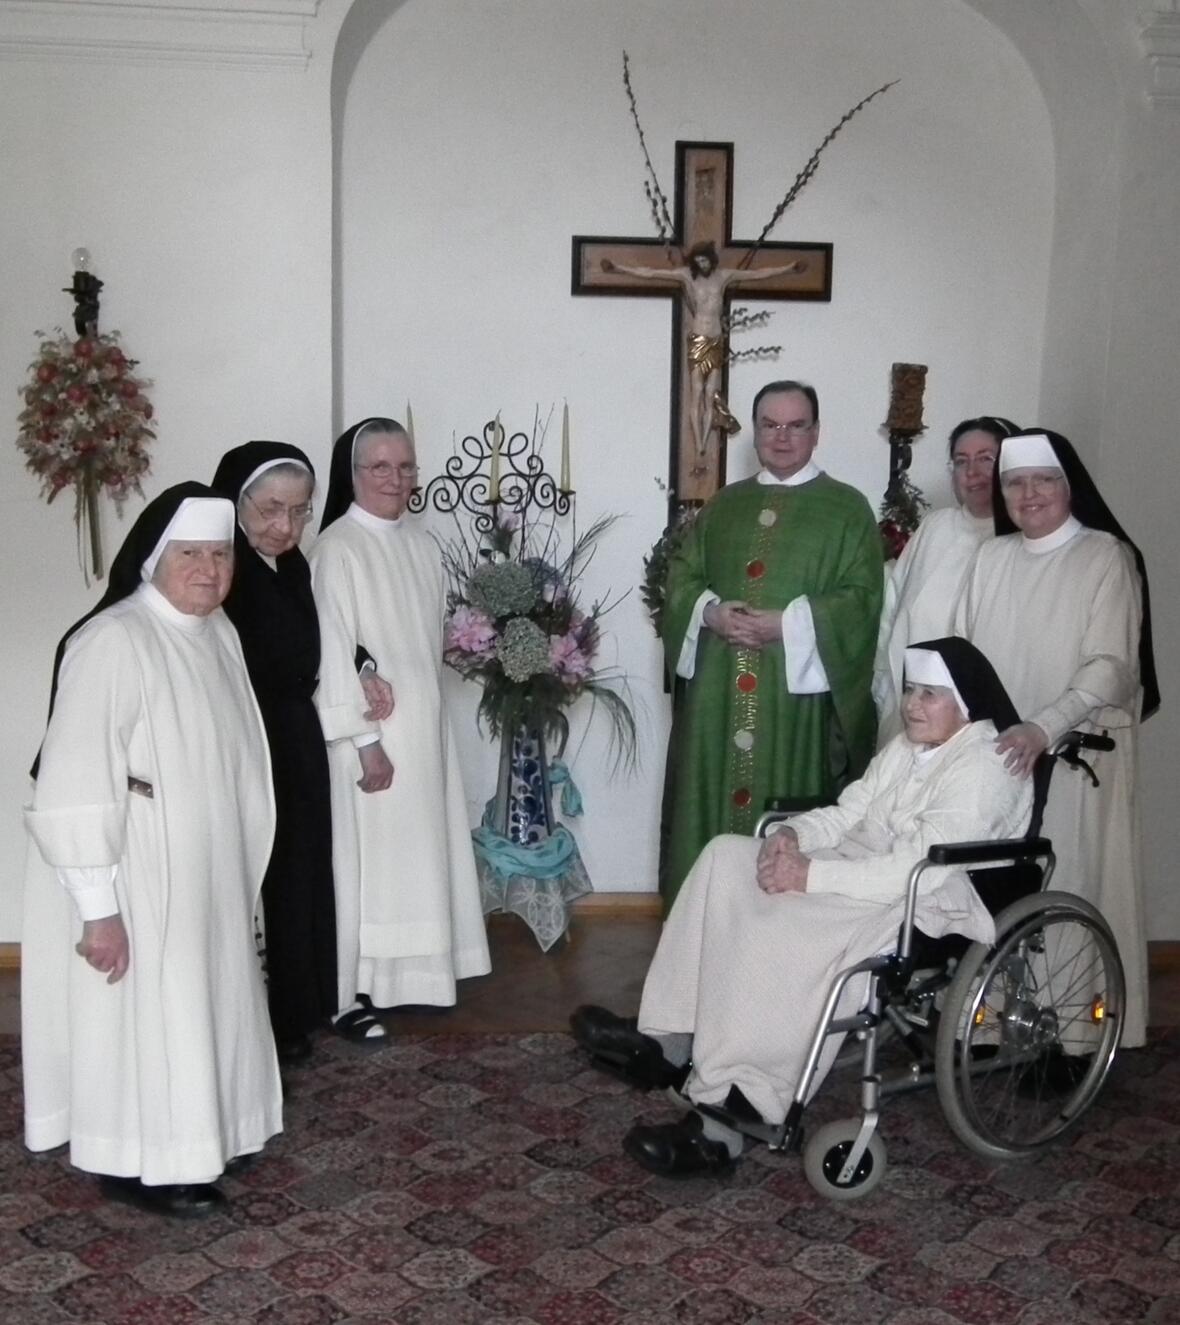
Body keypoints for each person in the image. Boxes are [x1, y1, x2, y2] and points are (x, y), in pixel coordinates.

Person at [572, 638, 1032, 1176]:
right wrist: (791, 837)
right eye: (910, 690)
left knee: (782, 927)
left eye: (930, 694)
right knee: (725, 857)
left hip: (921, 895)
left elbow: (915, 868)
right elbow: (845, 813)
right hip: (857, 869)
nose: (911, 704)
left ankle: (732, 1114)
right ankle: (667, 1040)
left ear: (965, 704)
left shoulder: (984, 764)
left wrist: (810, 876)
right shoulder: (908, 749)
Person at [22, 483, 283, 1217]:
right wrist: (98, 907)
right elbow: (73, 782)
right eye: (190, 554)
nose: (208, 570)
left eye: (220, 554)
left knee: (209, 1002)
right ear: (154, 559)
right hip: (137, 874)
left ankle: (210, 1126)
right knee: (145, 1018)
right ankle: (138, 1160)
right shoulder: (112, 639)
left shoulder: (220, 633)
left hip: (209, 874)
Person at [956, 429, 1159, 1047]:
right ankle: (989, 1030)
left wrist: (1046, 725)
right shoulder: (990, 559)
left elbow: (1111, 664)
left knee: (1066, 883)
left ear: (1070, 487)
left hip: (1070, 753)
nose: (1028, 494)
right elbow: (962, 651)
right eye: (1015, 483)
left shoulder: (1105, 557)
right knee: (991, 885)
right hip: (998, 756)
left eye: (1043, 480)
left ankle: (1071, 1037)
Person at [659, 380, 882, 907]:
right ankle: (700, 923)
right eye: (770, 425)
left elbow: (862, 599)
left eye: (795, 425)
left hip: (793, 698)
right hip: (717, 693)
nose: (782, 437)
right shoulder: (724, 505)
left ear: (816, 432)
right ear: (755, 433)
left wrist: (790, 624)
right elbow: (681, 580)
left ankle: (779, 936)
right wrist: (709, 613)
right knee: (709, 810)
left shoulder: (847, 509)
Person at [211, 442, 394, 1057]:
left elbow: (325, 635)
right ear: (236, 505)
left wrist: (362, 664)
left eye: (299, 512)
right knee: (265, 877)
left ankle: (305, 1003)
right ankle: (269, 1026)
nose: (284, 527)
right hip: (249, 735)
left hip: (298, 735)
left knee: (304, 871)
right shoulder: (221, 571)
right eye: (269, 510)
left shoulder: (292, 566)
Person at [309, 417, 491, 1017]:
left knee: (424, 852)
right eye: (381, 467)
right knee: (382, 862)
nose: (396, 479)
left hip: (425, 727)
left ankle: (424, 975)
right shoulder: (337, 546)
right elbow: (332, 650)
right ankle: (373, 981)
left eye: (406, 466)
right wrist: (366, 741)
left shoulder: (422, 543)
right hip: (375, 736)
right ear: (354, 473)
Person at [875, 416, 1020, 742]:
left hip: (980, 716)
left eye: (986, 459)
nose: (973, 472)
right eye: (961, 461)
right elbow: (893, 611)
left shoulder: (1020, 540)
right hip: (911, 706)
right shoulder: (935, 527)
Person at [601, 245, 804, 467]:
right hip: (698, 338)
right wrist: (618, 268)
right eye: (699, 262)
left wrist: (789, 268)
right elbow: (650, 272)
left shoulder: (723, 276)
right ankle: (698, 441)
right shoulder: (687, 276)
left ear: (711, 260)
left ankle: (704, 442)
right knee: (696, 392)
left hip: (716, 339)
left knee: (710, 393)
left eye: (705, 261)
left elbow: (756, 274)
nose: (703, 265)